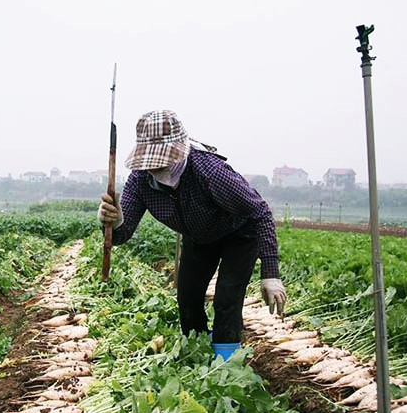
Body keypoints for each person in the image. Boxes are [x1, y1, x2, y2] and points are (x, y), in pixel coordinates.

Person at [97, 110, 286, 360]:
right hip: (198, 237)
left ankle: (226, 364)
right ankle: (197, 355)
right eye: (150, 162)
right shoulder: (140, 180)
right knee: (187, 299)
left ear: (178, 151)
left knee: (226, 299)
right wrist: (113, 222)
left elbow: (259, 211)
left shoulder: (209, 171)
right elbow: (120, 236)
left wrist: (270, 274)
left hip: (238, 235)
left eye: (161, 161)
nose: (155, 168)